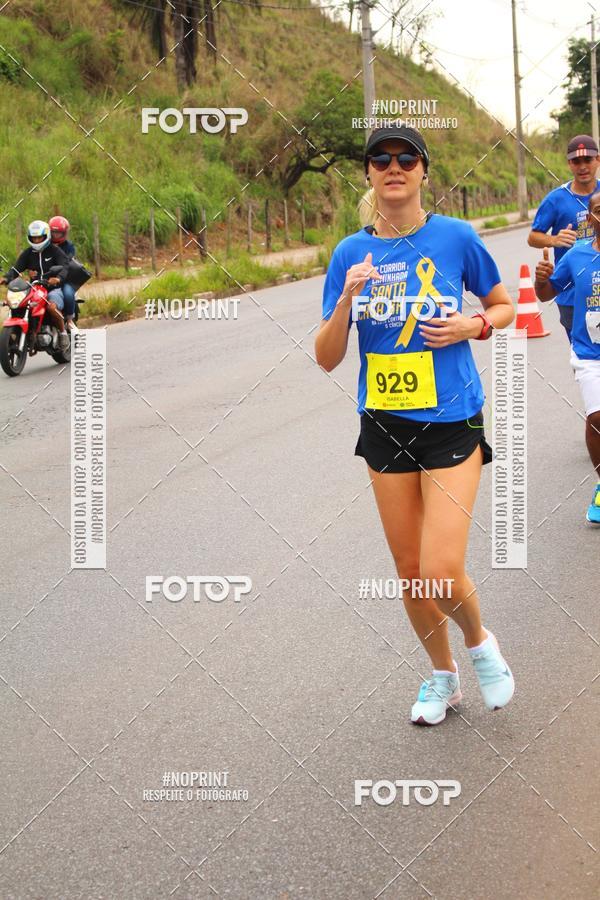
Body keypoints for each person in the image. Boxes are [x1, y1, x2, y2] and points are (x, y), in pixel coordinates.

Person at [315, 125, 516, 726]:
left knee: (440, 567)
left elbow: (503, 307)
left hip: (452, 420)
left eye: (407, 158)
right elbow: (326, 355)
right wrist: (347, 299)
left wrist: (472, 326)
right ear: (370, 174)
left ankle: (480, 645)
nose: (393, 167)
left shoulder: (455, 238)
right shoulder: (351, 253)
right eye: (381, 159)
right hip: (383, 424)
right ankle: (442, 677)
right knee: (409, 572)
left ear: (425, 171)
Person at [534, 191, 600, 524]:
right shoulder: (577, 256)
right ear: (590, 218)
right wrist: (541, 278)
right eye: (599, 210)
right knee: (598, 417)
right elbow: (547, 292)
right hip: (590, 354)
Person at [528, 135, 600, 341]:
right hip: (570, 292)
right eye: (576, 161)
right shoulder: (556, 199)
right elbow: (533, 237)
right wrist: (554, 240)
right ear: (569, 164)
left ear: (598, 160)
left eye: (588, 160)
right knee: (583, 355)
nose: (583, 166)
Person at [1, 220, 70, 350]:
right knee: (20, 304)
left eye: (39, 238)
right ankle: (29, 331)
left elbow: (65, 266)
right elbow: (16, 269)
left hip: (53, 289)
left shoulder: (55, 251)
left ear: (46, 236)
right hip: (34, 288)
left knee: (51, 307)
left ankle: (62, 333)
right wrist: (6, 278)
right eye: (34, 238)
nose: (37, 240)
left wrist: (58, 279)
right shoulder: (28, 253)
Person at [49, 215, 78, 330]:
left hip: (65, 278)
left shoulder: (69, 246)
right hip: (48, 277)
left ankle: (70, 320)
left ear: (64, 233)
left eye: (59, 233)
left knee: (68, 293)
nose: (56, 235)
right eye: (53, 232)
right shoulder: (46, 244)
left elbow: (68, 261)